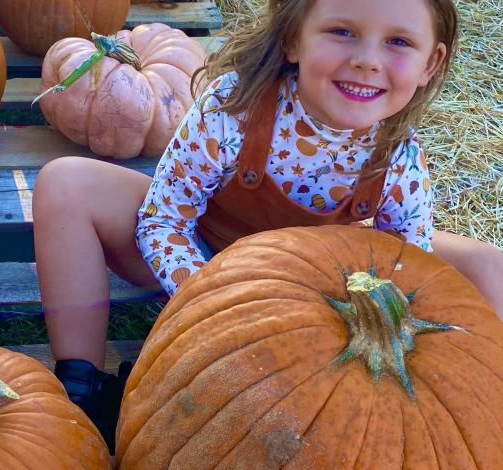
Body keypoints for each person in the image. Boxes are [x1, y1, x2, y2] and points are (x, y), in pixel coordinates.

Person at [32, 0, 503, 450]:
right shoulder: (233, 107)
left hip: (315, 296)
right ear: (293, 37)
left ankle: (475, 417)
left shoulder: (399, 161)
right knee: (66, 184)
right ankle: (82, 386)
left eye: (398, 42)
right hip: (200, 255)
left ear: (430, 64)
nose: (366, 60)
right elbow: (163, 218)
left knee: (489, 268)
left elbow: (404, 272)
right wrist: (210, 307)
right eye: (342, 32)